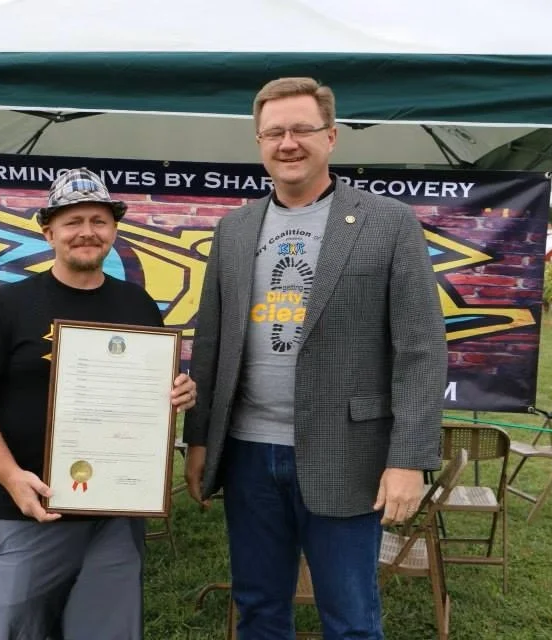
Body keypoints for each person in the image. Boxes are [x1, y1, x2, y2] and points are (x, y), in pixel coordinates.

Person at [183, 78, 448, 639]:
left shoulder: (387, 222)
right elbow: (211, 342)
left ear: (331, 137)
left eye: (302, 129)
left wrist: (409, 459)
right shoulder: (234, 229)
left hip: (348, 455)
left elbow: (422, 350)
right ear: (259, 142)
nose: (288, 143)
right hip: (249, 454)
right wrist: (200, 438)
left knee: (350, 619)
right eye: (274, 132)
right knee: (257, 607)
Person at [0, 168, 197, 640]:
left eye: (98, 221)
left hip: (116, 511)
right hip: (24, 506)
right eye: (73, 221)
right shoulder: (8, 305)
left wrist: (179, 392)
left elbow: (149, 393)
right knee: (19, 631)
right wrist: (12, 477)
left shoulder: (137, 305)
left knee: (107, 631)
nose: (87, 232)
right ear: (49, 232)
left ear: (114, 230)